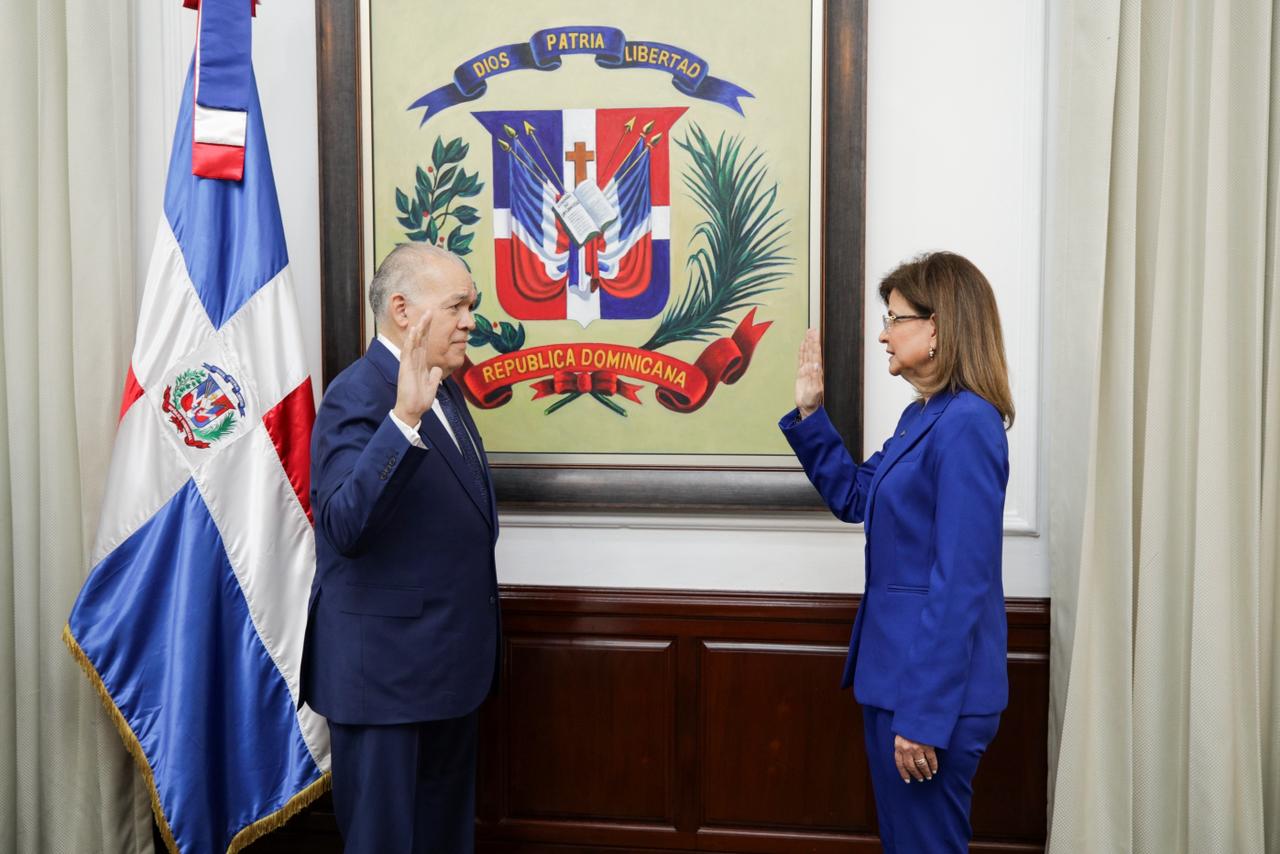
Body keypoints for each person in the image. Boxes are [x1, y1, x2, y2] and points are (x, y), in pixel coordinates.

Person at [780, 251, 1013, 853]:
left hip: (928, 698)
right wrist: (811, 413)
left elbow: (961, 582)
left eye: (894, 319)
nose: (883, 334)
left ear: (936, 328)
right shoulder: (923, 417)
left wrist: (923, 717)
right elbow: (855, 496)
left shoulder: (968, 423)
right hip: (898, 683)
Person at [300, 243, 499, 853]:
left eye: (471, 306)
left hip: (447, 671)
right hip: (384, 681)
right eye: (457, 306)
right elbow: (343, 525)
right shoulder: (358, 394)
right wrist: (403, 421)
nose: (470, 321)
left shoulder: (445, 387)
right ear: (403, 310)